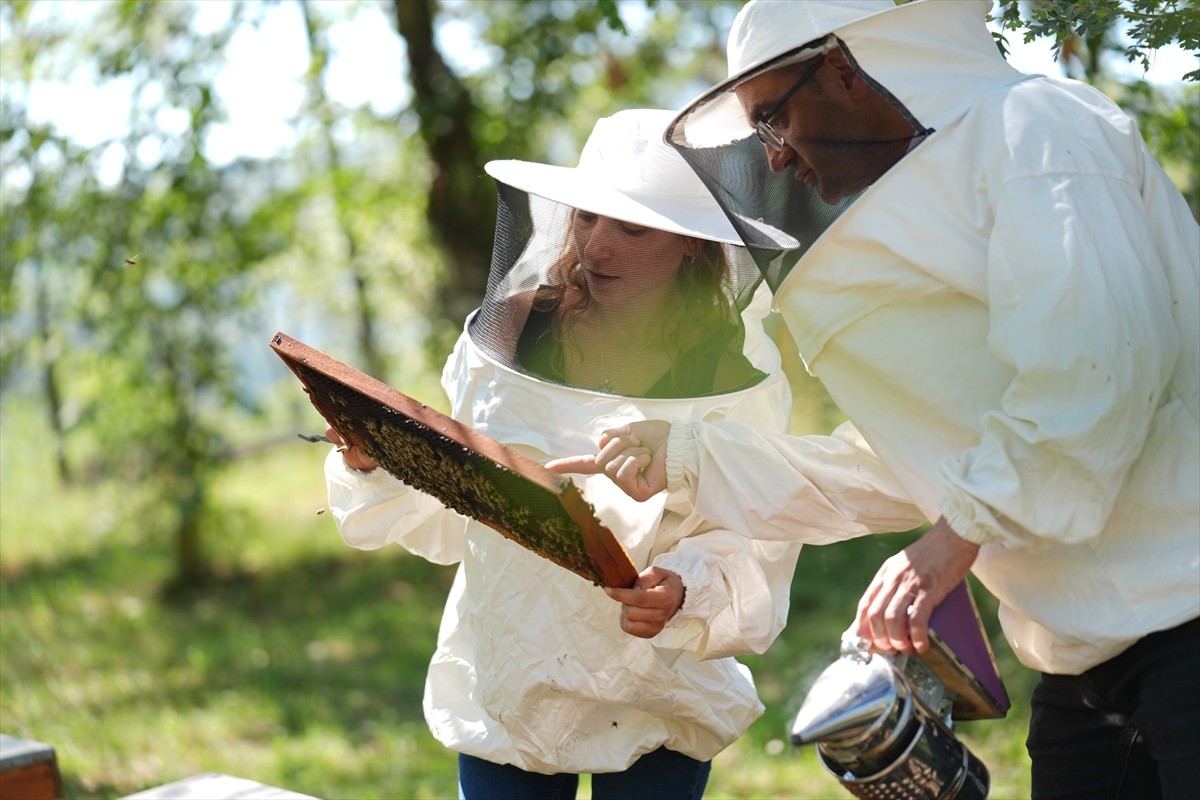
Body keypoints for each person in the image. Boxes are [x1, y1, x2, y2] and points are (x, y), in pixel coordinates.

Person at [548, 1, 1200, 796]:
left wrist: (944, 549)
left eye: (775, 120)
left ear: (847, 70)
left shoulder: (1038, 127)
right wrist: (689, 455)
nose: (776, 161)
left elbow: (1096, 372)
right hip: (1082, 664)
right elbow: (921, 460)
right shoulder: (950, 188)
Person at [322, 108, 810, 800]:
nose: (596, 247)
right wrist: (375, 463)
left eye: (632, 228)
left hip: (656, 689)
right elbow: (454, 502)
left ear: (692, 248)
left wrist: (687, 590)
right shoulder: (510, 333)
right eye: (586, 218)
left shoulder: (735, 375)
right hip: (511, 674)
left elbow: (759, 523)